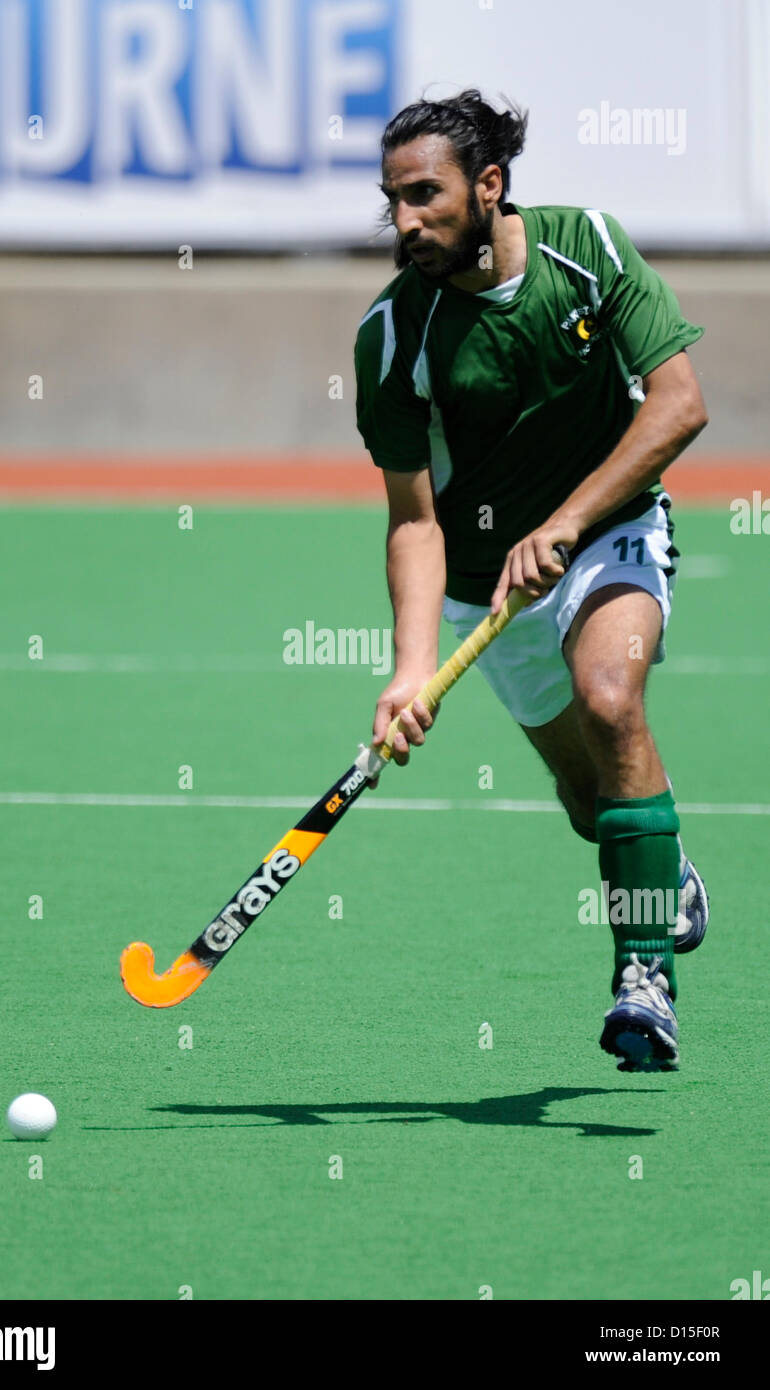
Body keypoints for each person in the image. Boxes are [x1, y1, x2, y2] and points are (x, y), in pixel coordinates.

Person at [355, 90, 710, 1071]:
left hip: (609, 531)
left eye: (425, 196)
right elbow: (414, 520)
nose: (405, 221)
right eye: (391, 201)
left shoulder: (584, 249)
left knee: (609, 700)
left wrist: (564, 521)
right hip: (484, 586)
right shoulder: (393, 335)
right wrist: (410, 669)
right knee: (590, 802)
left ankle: (642, 977)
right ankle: (655, 852)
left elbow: (678, 406)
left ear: (490, 185)